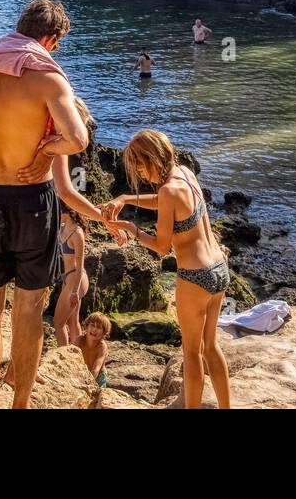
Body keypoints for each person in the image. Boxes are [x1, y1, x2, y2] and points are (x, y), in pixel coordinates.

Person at [0, 0, 111, 409]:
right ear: (51, 40)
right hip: (33, 200)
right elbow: (78, 138)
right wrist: (44, 152)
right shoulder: (49, 78)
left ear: (19, 28)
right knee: (30, 308)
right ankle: (20, 404)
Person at [103, 129, 232, 409]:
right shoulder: (185, 173)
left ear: (152, 158)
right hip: (219, 269)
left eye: (139, 165)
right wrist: (125, 198)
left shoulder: (167, 191)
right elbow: (167, 203)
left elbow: (161, 247)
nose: (139, 172)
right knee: (210, 346)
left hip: (195, 277)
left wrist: (131, 228)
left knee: (191, 354)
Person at [54, 206, 88, 346]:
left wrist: (75, 291)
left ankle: (64, 357)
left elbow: (80, 265)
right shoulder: (62, 228)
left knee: (58, 323)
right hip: (67, 278)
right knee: (73, 321)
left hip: (77, 279)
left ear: (66, 213)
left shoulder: (77, 233)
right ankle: (79, 356)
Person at [77, 312, 111, 389]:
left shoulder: (102, 347)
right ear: (86, 327)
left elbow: (96, 368)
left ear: (104, 333)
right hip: (82, 372)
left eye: (99, 327)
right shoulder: (79, 340)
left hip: (98, 377)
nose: (94, 329)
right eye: (92, 325)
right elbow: (69, 355)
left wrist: (89, 382)